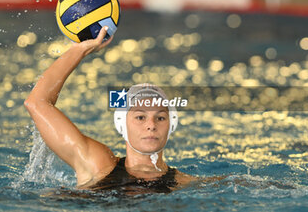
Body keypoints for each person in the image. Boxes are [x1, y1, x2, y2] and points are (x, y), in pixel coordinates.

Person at [24, 27, 198, 194]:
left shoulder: (184, 184)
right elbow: (37, 103)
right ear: (122, 124)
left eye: (160, 118)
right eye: (140, 117)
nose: (151, 125)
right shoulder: (98, 164)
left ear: (171, 125)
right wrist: (79, 50)